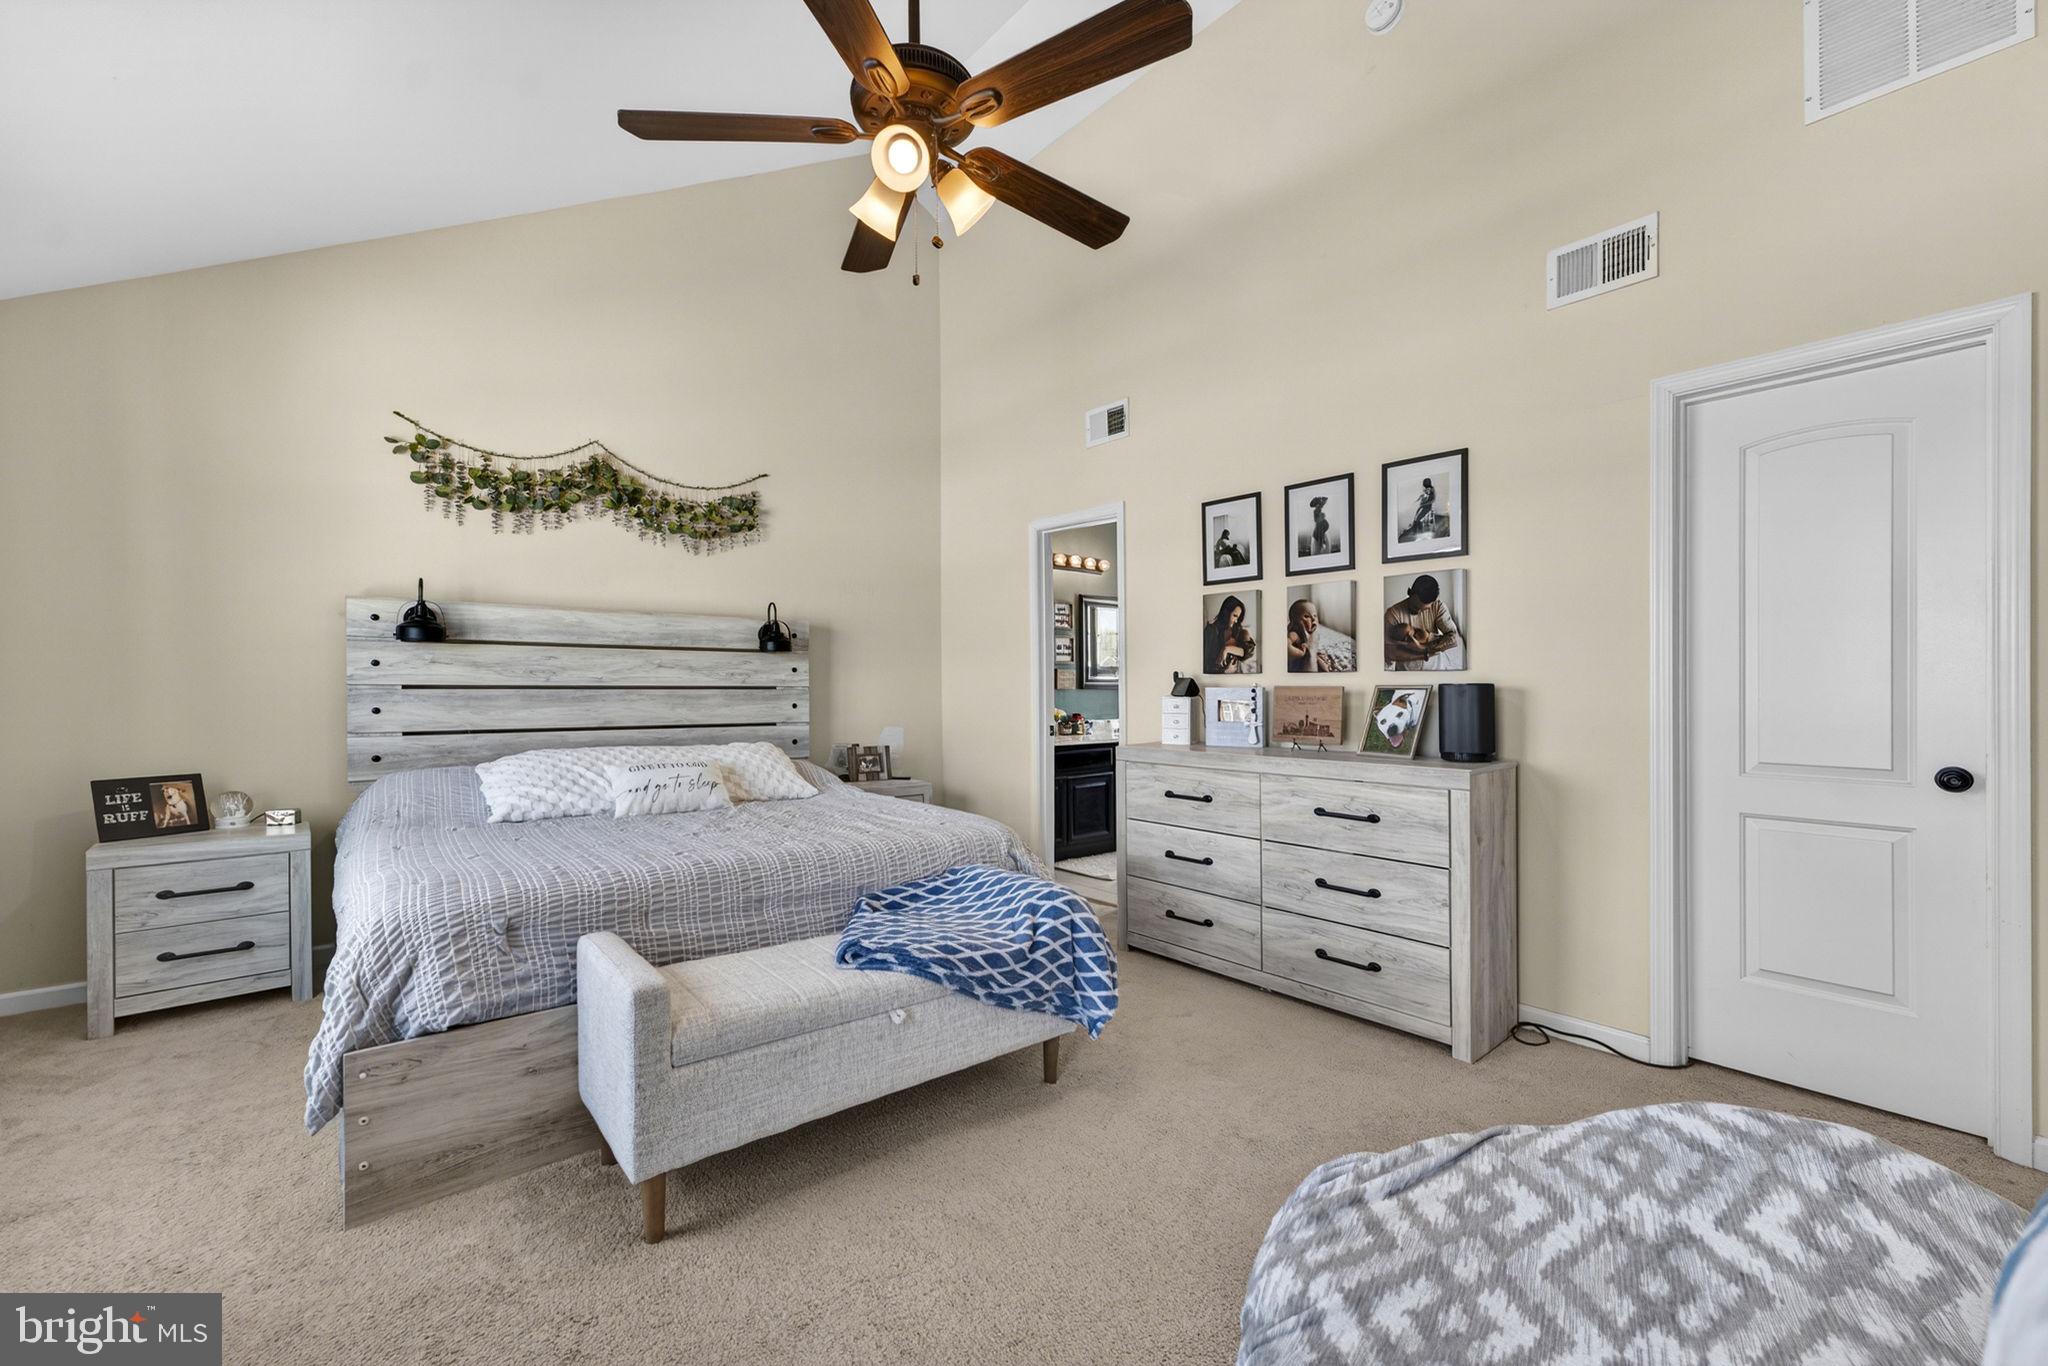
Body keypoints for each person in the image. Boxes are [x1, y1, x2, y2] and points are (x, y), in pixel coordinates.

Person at [1384, 573, 1464, 670]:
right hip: (1406, 674)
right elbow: (1390, 652)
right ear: (1409, 592)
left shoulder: (1438, 606)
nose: (1419, 612)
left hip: (1437, 670)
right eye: (1415, 607)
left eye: (1424, 610)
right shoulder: (1393, 613)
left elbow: (1453, 637)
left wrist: (1428, 644)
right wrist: (1424, 654)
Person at [1204, 595, 1257, 674]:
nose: (1236, 621)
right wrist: (1225, 671)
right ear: (1226, 612)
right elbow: (1205, 664)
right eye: (1235, 616)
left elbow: (1248, 651)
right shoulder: (1211, 630)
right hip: (1217, 679)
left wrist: (1226, 649)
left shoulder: (1240, 632)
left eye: (1238, 618)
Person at [1286, 598, 1326, 672]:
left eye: (1315, 615)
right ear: (1295, 621)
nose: (1313, 619)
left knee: (1322, 664)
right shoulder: (1295, 634)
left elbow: (1310, 646)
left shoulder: (1312, 635)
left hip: (1309, 659)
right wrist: (1300, 653)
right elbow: (1286, 645)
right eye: (1307, 616)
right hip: (1297, 666)